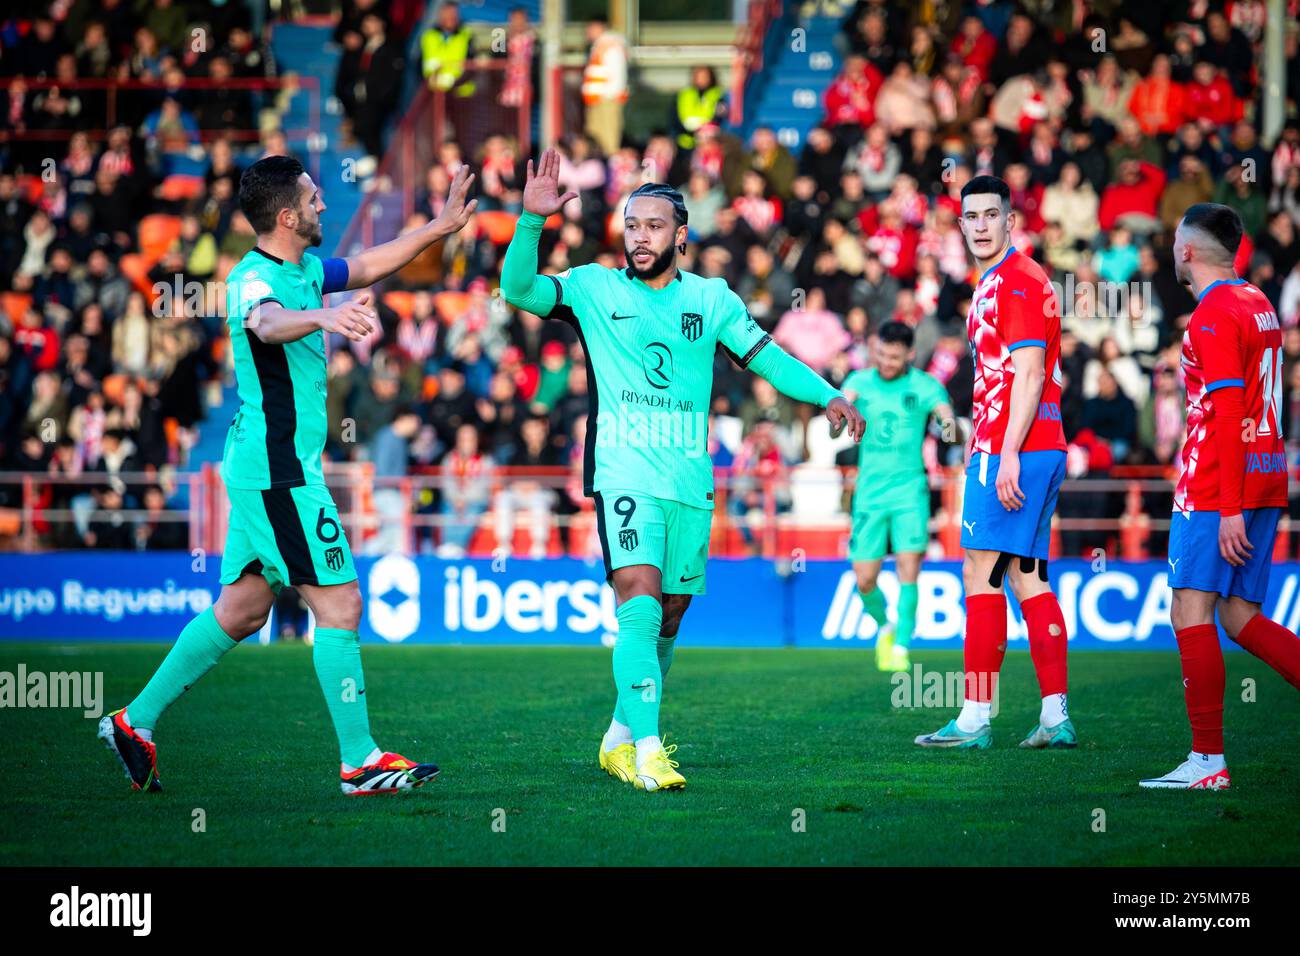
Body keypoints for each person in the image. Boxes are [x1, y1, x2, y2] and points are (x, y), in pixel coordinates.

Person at [98, 155, 479, 795]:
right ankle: (360, 762)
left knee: (244, 609)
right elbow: (267, 324)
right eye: (312, 197)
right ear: (286, 215)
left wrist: (440, 227)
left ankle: (134, 723)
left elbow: (369, 263)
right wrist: (326, 318)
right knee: (340, 603)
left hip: (266, 466)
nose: (323, 204)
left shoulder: (303, 268)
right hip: (279, 472)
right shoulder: (252, 279)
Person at [501, 149, 864, 791]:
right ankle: (647, 749)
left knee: (668, 617)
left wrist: (826, 394)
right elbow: (519, 290)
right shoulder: (592, 287)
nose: (640, 237)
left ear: (681, 235)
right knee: (639, 604)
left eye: (653, 227)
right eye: (632, 225)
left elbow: (768, 358)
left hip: (690, 484)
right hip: (623, 474)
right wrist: (530, 224)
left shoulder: (712, 299)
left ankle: (617, 737)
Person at [1143, 203, 1300, 790]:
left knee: (1190, 608)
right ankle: (1206, 760)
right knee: (1239, 615)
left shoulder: (1210, 314)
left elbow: (1229, 409)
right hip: (1267, 469)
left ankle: (1207, 761)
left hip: (1217, 482)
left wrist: (1227, 506)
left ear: (1186, 251)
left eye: (1174, 241)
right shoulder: (1258, 302)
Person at [916, 174, 1075, 751]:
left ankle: (975, 718)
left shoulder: (1015, 281)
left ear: (1011, 220)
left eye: (991, 215)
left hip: (1014, 448)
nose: (980, 225)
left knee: (979, 573)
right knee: (1026, 577)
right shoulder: (1001, 281)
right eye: (971, 216)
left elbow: (1029, 371)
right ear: (960, 224)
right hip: (1034, 445)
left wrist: (1006, 451)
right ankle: (1055, 717)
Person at [841, 321, 955, 673]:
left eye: (893, 356)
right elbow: (835, 418)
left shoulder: (924, 386)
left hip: (910, 492)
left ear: (909, 354)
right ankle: (885, 627)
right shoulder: (858, 382)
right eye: (881, 354)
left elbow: (946, 416)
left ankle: (902, 647)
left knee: (909, 569)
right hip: (870, 493)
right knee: (864, 578)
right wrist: (840, 414)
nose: (886, 362)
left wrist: (949, 424)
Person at [581, 18, 628, 155]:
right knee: (594, 136)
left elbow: (618, 74)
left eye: (590, 28)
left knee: (608, 138)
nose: (587, 32)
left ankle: (610, 168)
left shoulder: (611, 46)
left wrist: (608, 96)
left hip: (606, 99)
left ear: (599, 27)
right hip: (597, 100)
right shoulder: (599, 46)